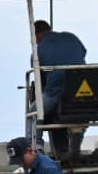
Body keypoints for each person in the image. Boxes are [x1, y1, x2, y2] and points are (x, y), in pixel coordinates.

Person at [33, 19, 87, 161]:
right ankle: (74, 149)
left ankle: (36, 148)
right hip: (84, 93)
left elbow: (40, 78)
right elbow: (83, 53)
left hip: (57, 93)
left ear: (37, 35)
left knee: (34, 111)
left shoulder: (38, 51)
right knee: (80, 114)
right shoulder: (71, 37)